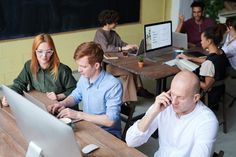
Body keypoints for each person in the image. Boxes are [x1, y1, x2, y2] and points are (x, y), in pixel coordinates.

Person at [126, 71, 218, 157]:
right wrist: (153, 111)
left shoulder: (207, 121)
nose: (173, 102)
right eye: (172, 94)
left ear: (195, 98)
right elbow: (131, 141)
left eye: (180, 97)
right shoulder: (164, 105)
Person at [47, 42, 123, 138]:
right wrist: (62, 103)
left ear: (96, 66)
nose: (79, 70)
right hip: (88, 126)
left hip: (107, 134)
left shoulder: (113, 85)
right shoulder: (85, 77)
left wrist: (78, 115)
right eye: (78, 65)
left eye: (83, 66)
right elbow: (75, 95)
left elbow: (110, 121)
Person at [94, 9, 154, 103]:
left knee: (134, 68)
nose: (117, 23)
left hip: (116, 61)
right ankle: (128, 100)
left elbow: (121, 44)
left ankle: (139, 89)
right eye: (115, 21)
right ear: (107, 22)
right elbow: (106, 48)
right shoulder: (99, 33)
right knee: (128, 73)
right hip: (106, 64)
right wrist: (123, 49)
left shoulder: (113, 33)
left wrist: (131, 46)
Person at [1, 33, 76, 106]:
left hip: (61, 107)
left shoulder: (62, 70)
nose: (44, 56)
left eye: (48, 52)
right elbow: (19, 84)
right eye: (40, 51)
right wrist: (9, 96)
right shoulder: (29, 66)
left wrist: (58, 96)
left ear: (53, 52)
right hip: (41, 104)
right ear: (34, 51)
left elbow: (75, 89)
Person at [177, 25, 229, 106]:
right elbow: (208, 60)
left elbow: (205, 87)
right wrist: (189, 58)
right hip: (220, 90)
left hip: (210, 96)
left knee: (181, 86)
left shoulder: (209, 64)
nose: (201, 42)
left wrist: (188, 73)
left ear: (209, 41)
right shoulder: (220, 52)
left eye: (202, 40)